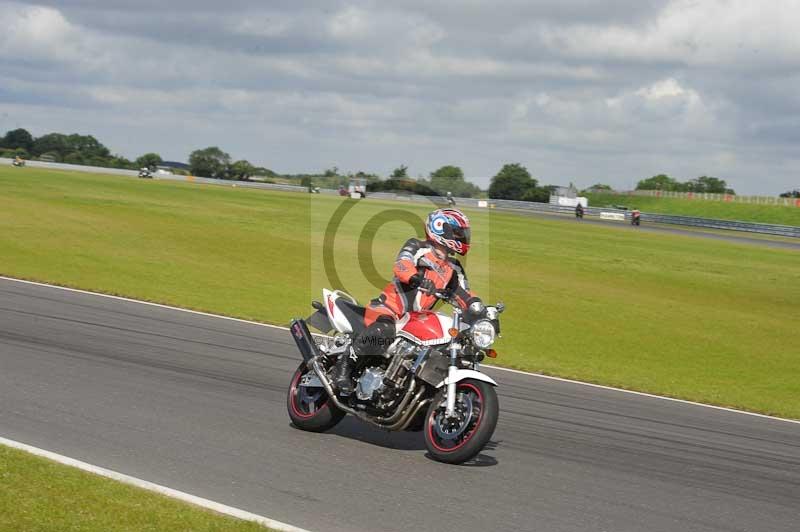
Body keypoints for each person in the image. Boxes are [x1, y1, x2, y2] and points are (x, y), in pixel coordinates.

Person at [334, 208, 482, 394]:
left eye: (463, 234)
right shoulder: (419, 247)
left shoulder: (454, 268)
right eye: (459, 233)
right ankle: (343, 366)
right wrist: (416, 278)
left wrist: (481, 310)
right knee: (384, 330)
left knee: (441, 346)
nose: (463, 238)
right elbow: (402, 264)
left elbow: (465, 294)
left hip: (414, 319)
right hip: (388, 309)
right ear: (440, 228)